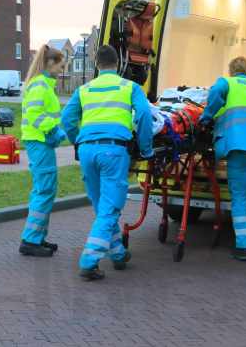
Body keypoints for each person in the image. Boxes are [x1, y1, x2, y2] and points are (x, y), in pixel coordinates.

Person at [62, 45, 153, 280]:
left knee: (102, 205)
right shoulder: (130, 87)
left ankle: (117, 254)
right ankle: (89, 261)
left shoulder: (84, 89)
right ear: (118, 64)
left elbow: (67, 118)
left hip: (86, 151)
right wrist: (145, 148)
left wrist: (77, 142)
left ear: (96, 65)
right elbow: (143, 115)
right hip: (113, 150)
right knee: (110, 208)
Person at [198, 56, 246, 261]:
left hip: (241, 146)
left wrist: (207, 115)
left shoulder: (227, 82)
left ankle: (243, 246)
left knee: (240, 198)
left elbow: (215, 93)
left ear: (231, 70)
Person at [19, 44, 67, 258]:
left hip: (41, 143)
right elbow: (36, 114)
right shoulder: (40, 85)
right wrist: (54, 128)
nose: (62, 70)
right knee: (44, 190)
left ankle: (37, 237)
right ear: (50, 63)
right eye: (61, 65)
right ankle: (30, 240)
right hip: (40, 142)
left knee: (45, 189)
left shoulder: (42, 84)